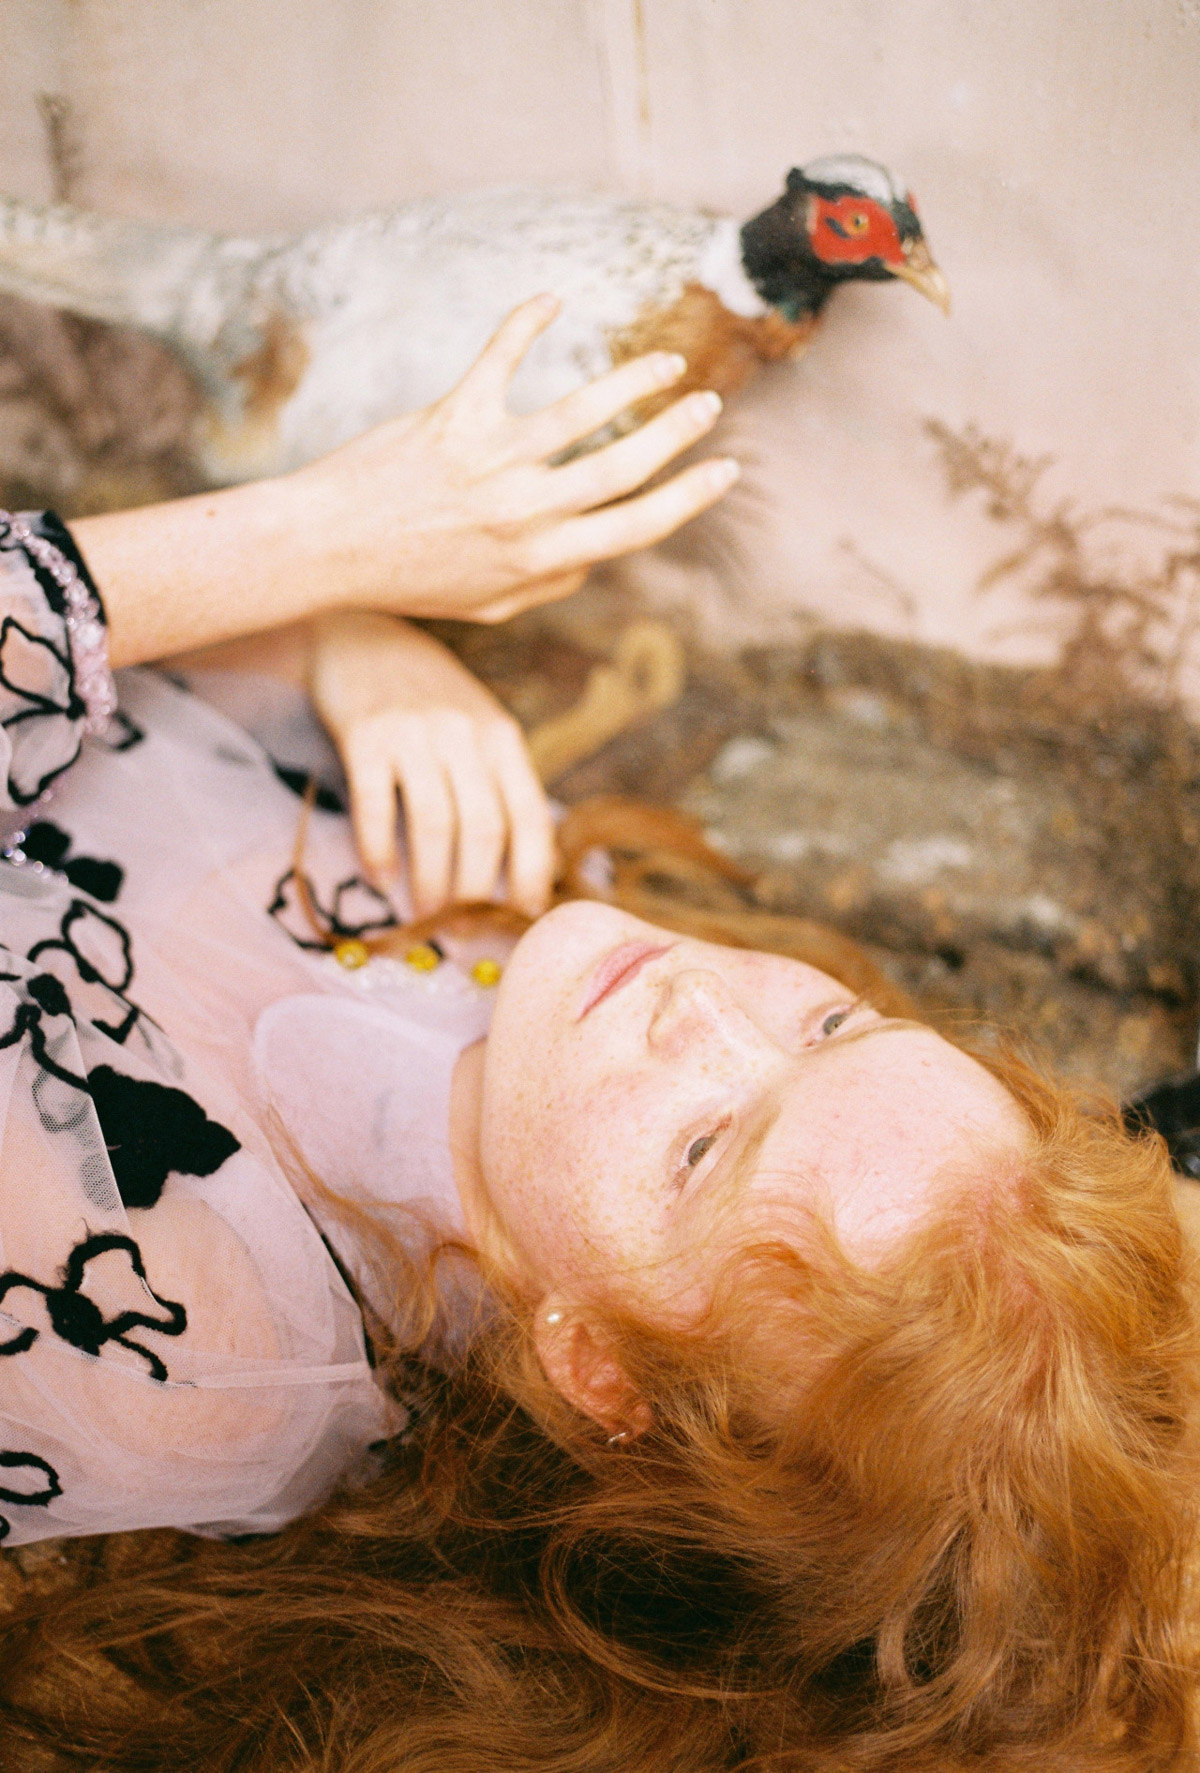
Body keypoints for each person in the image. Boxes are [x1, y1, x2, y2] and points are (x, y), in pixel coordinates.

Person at [0, 298, 1196, 1773]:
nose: (707, 1003)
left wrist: (313, 544)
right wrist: (351, 647)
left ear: (599, 1370)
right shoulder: (556, 979)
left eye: (706, 1150)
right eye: (834, 1023)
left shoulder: (182, 1332)